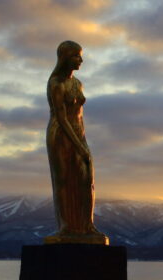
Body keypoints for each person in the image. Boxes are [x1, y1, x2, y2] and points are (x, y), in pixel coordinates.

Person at [45, 40, 107, 244]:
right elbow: (61, 118)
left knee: (86, 178)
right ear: (65, 58)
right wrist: (79, 146)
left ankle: (86, 225)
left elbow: (78, 116)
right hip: (61, 135)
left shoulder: (77, 83)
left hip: (79, 134)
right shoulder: (56, 83)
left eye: (80, 55)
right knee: (63, 179)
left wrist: (83, 143)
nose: (81, 60)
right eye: (76, 55)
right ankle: (65, 227)